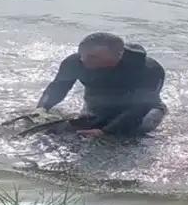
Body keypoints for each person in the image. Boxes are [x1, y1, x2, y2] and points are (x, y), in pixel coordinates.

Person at [36, 32, 166, 137]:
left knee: (135, 132)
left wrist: (106, 132)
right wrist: (42, 108)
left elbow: (141, 107)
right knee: (64, 132)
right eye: (83, 55)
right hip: (98, 106)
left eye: (93, 57)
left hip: (143, 109)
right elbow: (59, 87)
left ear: (118, 55)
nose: (84, 60)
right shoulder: (75, 62)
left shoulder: (149, 69)